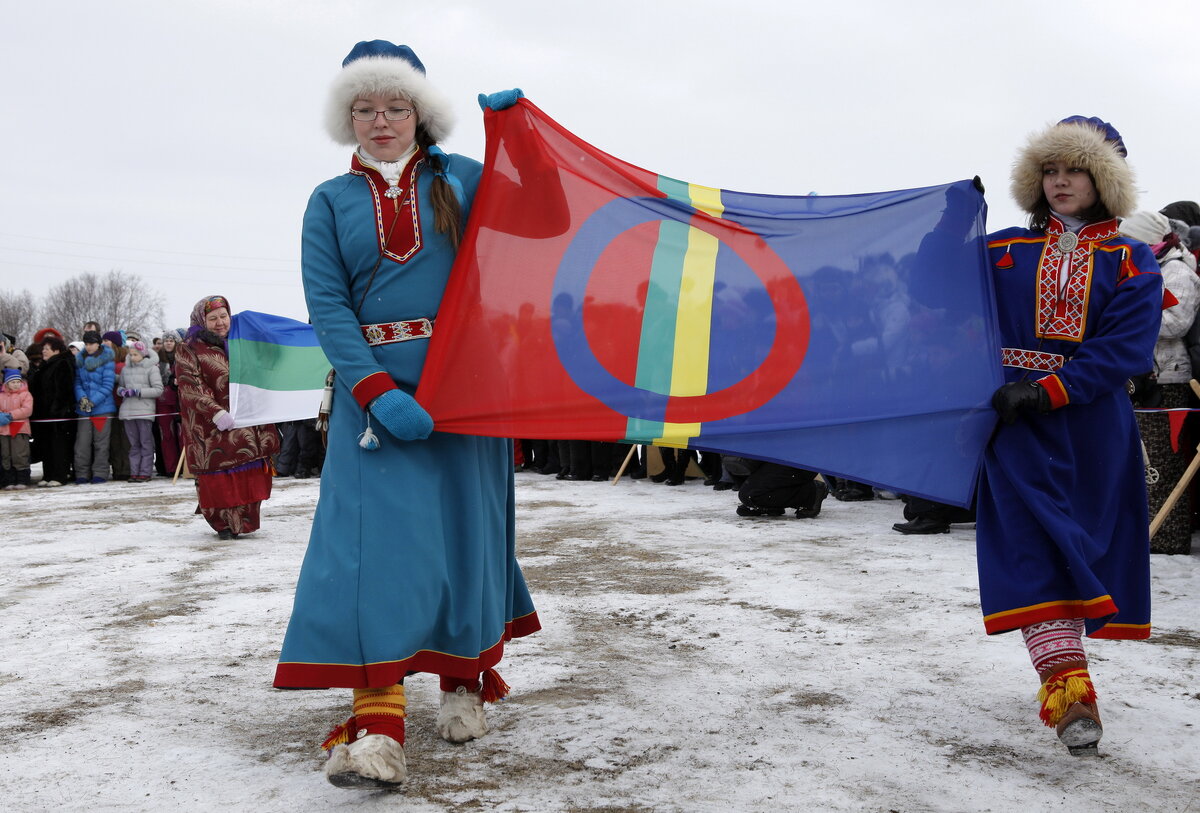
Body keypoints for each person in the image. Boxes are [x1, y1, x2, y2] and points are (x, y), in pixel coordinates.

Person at [273, 41, 543, 789]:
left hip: (467, 391)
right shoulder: (328, 201)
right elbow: (328, 309)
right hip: (374, 403)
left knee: (464, 537)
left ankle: (462, 680)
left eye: (395, 106)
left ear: (420, 111)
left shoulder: (465, 177)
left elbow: (544, 226)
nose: (380, 120)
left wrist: (519, 141)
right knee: (372, 554)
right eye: (365, 107)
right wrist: (376, 392)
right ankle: (379, 724)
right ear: (347, 116)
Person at [982, 116, 1161, 756]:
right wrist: (944, 228)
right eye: (1050, 171)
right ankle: (1071, 694)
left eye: (1075, 170)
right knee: (1032, 548)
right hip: (1013, 426)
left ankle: (1069, 679)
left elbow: (1126, 349)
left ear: (1103, 179)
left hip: (1090, 428)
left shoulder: (1132, 260)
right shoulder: (1003, 250)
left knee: (1077, 550)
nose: (1060, 182)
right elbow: (939, 295)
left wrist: (1051, 388)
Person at [1119, 210, 1200, 554]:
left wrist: (1125, 314)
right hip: (1142, 376)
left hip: (1169, 379)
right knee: (1143, 461)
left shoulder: (1178, 271)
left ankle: (1167, 538)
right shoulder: (1145, 267)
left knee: (1162, 463)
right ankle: (1147, 531)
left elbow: (1175, 323)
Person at [175, 296, 278, 538]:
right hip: (211, 426)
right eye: (213, 318)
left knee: (249, 473)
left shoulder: (242, 342)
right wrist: (215, 411)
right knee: (220, 479)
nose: (220, 323)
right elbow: (190, 386)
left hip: (248, 422)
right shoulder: (189, 347)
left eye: (224, 316)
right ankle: (224, 524)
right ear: (202, 320)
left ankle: (245, 520)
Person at [29, 335, 77, 486]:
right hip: (43, 414)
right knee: (46, 445)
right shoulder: (45, 365)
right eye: (43, 348)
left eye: (46, 349)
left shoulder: (63, 363)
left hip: (58, 414)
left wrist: (58, 410)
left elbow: (64, 390)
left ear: (56, 350)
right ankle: (48, 474)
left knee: (58, 446)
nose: (43, 351)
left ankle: (59, 475)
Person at [117, 340, 164, 483]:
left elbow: (158, 390)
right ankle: (134, 472)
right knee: (133, 444)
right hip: (128, 412)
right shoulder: (126, 369)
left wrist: (138, 392)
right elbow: (120, 387)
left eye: (135, 354)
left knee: (145, 442)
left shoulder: (151, 368)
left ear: (143, 354)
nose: (132, 357)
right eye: (131, 355)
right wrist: (122, 392)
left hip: (144, 411)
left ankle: (145, 472)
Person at [73, 330, 116, 484]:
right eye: (87, 344)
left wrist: (93, 401)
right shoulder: (80, 360)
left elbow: (108, 385)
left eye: (91, 343)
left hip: (102, 408)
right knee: (82, 443)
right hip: (84, 409)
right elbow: (77, 382)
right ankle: (82, 473)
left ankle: (100, 472)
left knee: (101, 443)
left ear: (98, 344)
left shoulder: (107, 360)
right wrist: (82, 398)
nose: (89, 347)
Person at [0, 368, 34, 489]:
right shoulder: (1, 396)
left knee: (19, 454)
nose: (16, 384)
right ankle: (8, 480)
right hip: (3, 430)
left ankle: (22, 479)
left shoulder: (25, 394)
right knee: (6, 454)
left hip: (20, 429)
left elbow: (27, 410)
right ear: (7, 383)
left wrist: (10, 415)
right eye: (13, 382)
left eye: (18, 381)